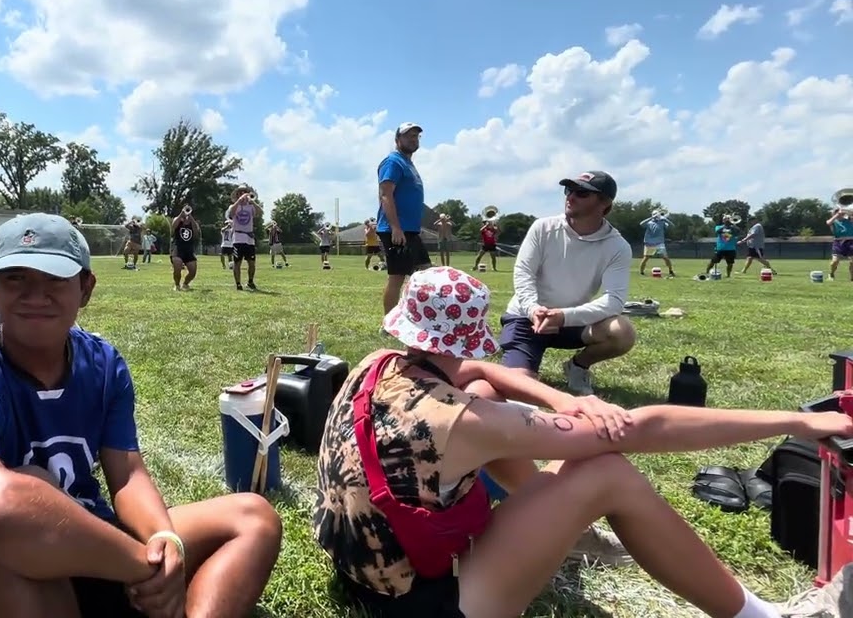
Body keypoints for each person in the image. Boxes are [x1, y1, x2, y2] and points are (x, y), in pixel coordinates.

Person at [314, 265, 848, 618]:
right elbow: (642, 429)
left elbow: (474, 368)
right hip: (429, 606)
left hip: (366, 574)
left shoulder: (377, 365)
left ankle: (568, 538)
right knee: (606, 472)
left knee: (480, 385)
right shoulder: (468, 422)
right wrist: (794, 423)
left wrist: (563, 402)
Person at [0, 213, 283, 617]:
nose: (35, 295)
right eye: (16, 278)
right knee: (27, 491)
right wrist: (142, 566)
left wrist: (165, 541)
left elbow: (127, 473)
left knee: (252, 515)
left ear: (85, 288)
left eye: (54, 278)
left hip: (93, 548)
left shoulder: (102, 362)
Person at [499, 171, 634, 396]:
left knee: (622, 332)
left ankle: (578, 366)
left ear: (605, 203)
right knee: (517, 390)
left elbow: (615, 300)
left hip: (570, 322)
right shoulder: (543, 228)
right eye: (568, 190)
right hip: (526, 318)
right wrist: (533, 310)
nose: (571, 197)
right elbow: (523, 273)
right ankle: (521, 362)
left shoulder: (617, 246)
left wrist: (563, 316)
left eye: (582, 193)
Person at [376, 122, 431, 315]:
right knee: (397, 277)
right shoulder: (393, 162)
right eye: (408, 136)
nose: (413, 139)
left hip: (410, 230)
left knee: (425, 273)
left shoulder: (409, 164)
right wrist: (395, 227)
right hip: (396, 230)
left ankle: (418, 316)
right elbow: (385, 194)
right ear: (397, 140)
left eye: (416, 136)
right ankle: (388, 323)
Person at [226, 188, 260, 291]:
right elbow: (231, 213)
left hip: (249, 238)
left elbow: (260, 212)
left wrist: (253, 202)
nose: (243, 195)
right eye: (240, 193)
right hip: (238, 238)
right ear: (237, 195)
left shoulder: (251, 207)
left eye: (245, 193)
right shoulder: (233, 206)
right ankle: (238, 284)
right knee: (237, 262)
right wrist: (239, 201)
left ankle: (250, 281)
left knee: (252, 262)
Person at [637, 210, 675, 278]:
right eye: (654, 214)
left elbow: (672, 226)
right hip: (649, 243)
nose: (656, 216)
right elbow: (641, 224)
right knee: (646, 258)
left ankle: (671, 271)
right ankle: (641, 272)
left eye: (657, 214)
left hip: (660, 243)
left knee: (665, 257)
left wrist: (666, 220)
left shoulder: (662, 222)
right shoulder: (649, 223)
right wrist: (651, 218)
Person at [170, 206, 199, 291]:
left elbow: (196, 231)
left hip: (189, 250)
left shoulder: (192, 222)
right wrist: (181, 215)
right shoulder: (178, 220)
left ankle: (185, 284)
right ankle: (177, 285)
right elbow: (173, 225)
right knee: (177, 268)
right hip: (178, 248)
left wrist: (190, 217)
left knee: (193, 271)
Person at [827, 208, 853, 281]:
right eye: (836, 212)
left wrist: (847, 210)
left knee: (852, 261)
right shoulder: (833, 221)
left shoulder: (849, 220)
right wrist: (837, 214)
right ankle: (831, 274)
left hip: (851, 241)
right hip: (838, 242)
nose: (840, 214)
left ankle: (852, 278)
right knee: (835, 261)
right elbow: (828, 222)